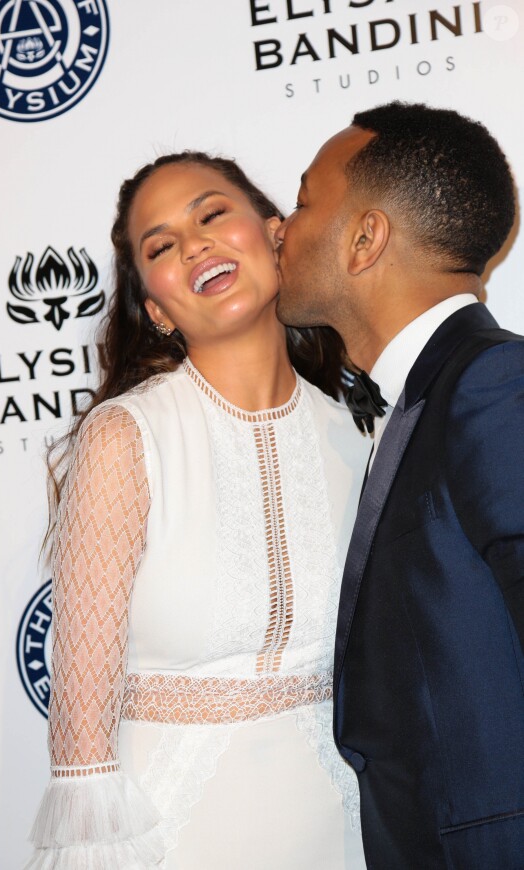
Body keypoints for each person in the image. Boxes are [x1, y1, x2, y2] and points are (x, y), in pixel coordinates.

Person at [26, 151, 369, 869]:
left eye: (212, 214)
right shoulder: (128, 436)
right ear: (155, 308)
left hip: (341, 825)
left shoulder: (360, 432)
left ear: (276, 236)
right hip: (168, 833)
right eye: (160, 245)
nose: (194, 245)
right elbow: (82, 709)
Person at [275, 101, 524, 868]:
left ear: (364, 237)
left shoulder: (491, 384)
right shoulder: (421, 397)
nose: (282, 227)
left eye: (306, 199)